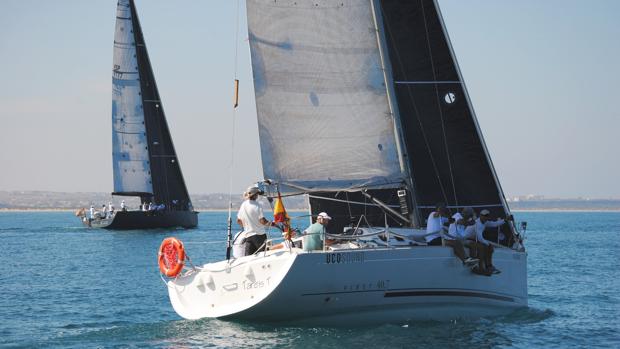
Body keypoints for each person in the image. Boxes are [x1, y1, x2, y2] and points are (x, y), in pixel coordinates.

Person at [237, 186, 274, 256]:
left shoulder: (243, 205)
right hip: (259, 236)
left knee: (248, 258)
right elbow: (263, 221)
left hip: (248, 236)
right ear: (255, 195)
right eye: (257, 194)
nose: (257, 196)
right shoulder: (258, 205)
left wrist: (247, 226)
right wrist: (273, 224)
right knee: (263, 256)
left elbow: (239, 221)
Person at [474, 209, 510, 275]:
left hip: (476, 239)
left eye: (487, 216)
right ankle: (482, 267)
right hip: (470, 239)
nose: (485, 217)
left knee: (489, 248)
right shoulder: (477, 223)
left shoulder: (485, 222)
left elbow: (495, 224)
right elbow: (479, 238)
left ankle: (489, 266)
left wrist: (505, 220)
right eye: (484, 216)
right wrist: (488, 244)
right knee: (485, 247)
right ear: (480, 216)